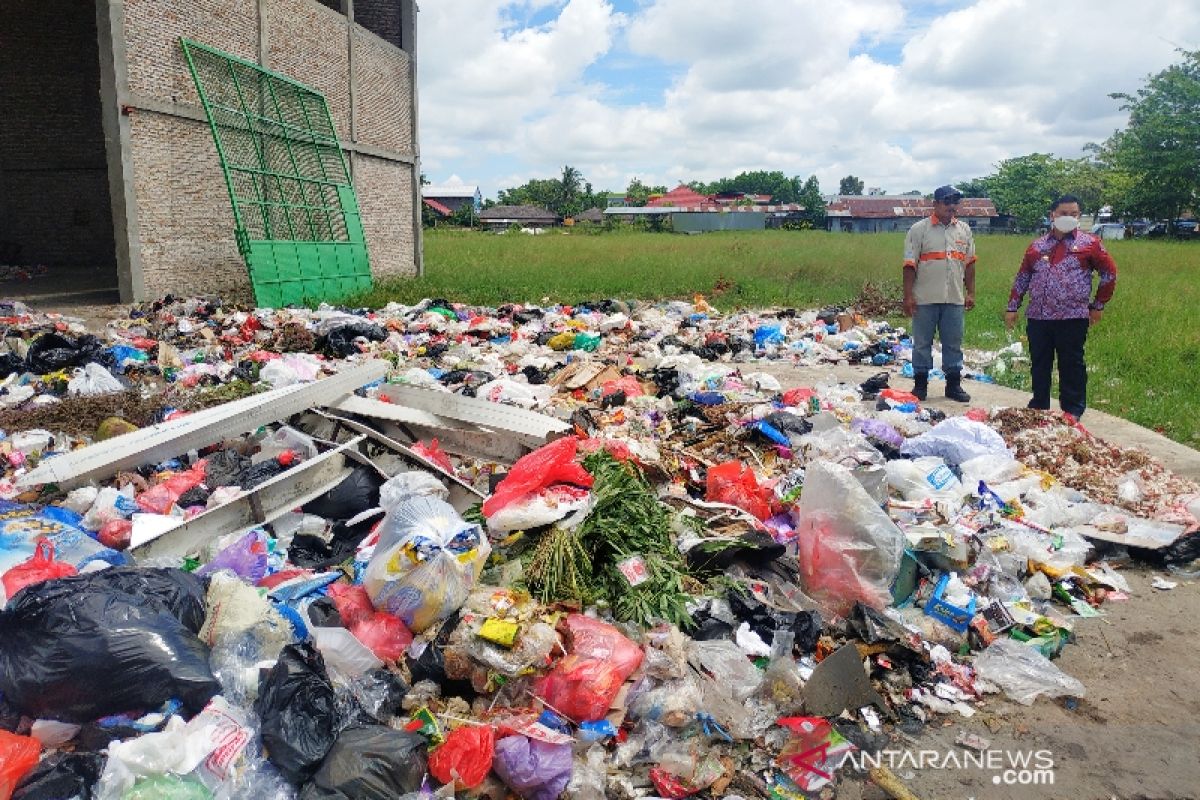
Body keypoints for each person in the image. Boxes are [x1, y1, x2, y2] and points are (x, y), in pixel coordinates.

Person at [1005, 194, 1117, 418]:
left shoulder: (1090, 244)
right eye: (1063, 213)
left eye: (1074, 214)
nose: (1069, 217)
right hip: (1039, 316)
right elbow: (1023, 277)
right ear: (1052, 216)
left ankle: (1072, 411)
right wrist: (1012, 307)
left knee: (1071, 364)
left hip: (1072, 316)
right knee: (1039, 363)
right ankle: (1039, 406)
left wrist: (1098, 305)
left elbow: (1109, 273)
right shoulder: (1037, 247)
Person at [902, 184, 976, 402]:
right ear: (935, 204)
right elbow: (909, 265)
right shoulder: (919, 230)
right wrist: (907, 297)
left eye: (955, 202)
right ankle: (920, 386)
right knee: (922, 343)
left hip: (954, 298)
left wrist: (970, 292)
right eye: (947, 202)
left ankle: (953, 386)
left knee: (953, 342)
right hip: (924, 298)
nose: (951, 206)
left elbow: (970, 264)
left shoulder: (964, 230)